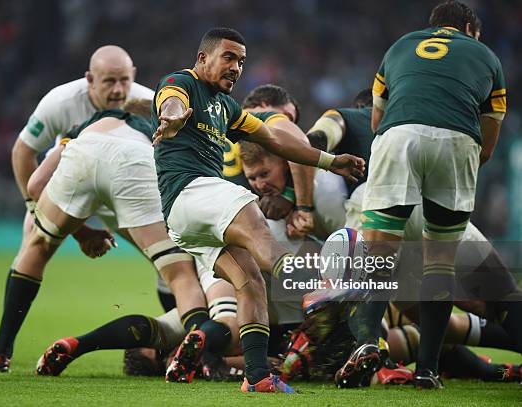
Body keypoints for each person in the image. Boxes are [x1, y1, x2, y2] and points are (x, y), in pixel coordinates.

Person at [151, 27, 365, 393]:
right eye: (229, 57)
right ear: (203, 58)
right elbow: (169, 100)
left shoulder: (229, 108)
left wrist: (330, 162)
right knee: (258, 228)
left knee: (249, 282)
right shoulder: (180, 83)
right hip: (192, 191)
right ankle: (314, 291)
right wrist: (172, 116)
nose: (236, 67)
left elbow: (275, 141)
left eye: (241, 61)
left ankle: (257, 377)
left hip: (185, 217)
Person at [339, 1, 509, 390]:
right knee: (439, 263)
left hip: (398, 137)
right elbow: (490, 135)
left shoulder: (400, 46)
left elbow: (378, 121)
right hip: (458, 139)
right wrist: (466, 162)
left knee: (380, 252)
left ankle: (367, 343)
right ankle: (427, 370)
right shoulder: (487, 56)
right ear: (470, 28)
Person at [0, 105, 207, 374]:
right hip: (136, 162)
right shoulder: (165, 129)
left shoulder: (83, 126)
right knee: (179, 273)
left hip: (85, 152)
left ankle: (0, 352)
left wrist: (81, 233)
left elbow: (34, 186)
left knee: (38, 245)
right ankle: (202, 348)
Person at [0, 45, 158, 372]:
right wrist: (37, 209)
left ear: (133, 75)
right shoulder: (61, 102)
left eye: (124, 80)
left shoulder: (149, 103)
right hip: (69, 189)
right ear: (90, 79)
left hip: (122, 193)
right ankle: (1, 350)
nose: (118, 90)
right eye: (108, 82)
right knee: (36, 243)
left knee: (168, 258)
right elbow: (23, 153)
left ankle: (178, 347)